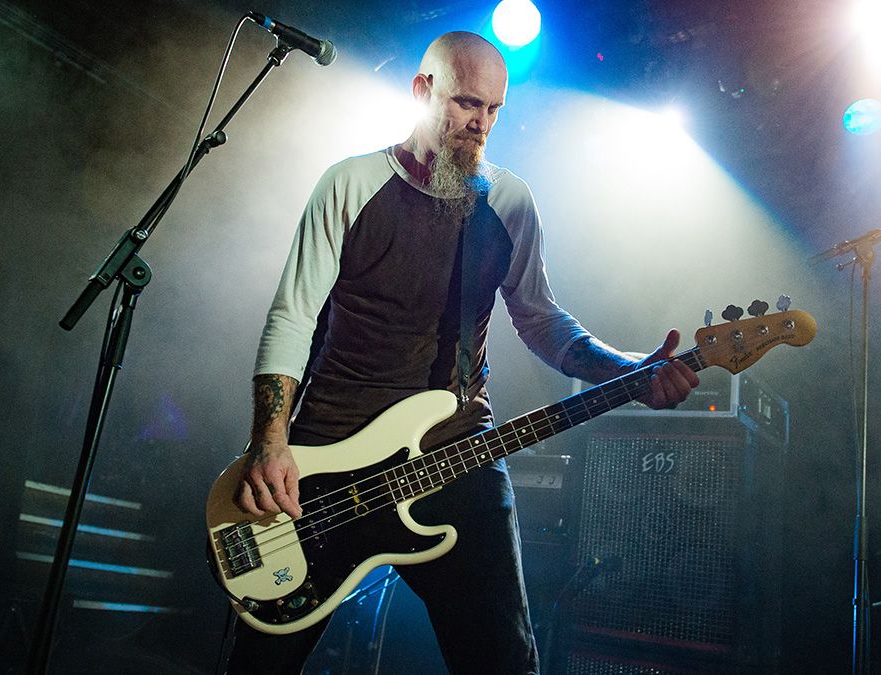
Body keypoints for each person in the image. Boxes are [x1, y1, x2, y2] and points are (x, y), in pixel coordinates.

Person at [228, 31, 699, 674]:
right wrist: (271, 440)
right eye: (466, 104)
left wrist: (628, 372)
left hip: (455, 453)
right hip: (326, 460)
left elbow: (539, 318)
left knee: (502, 660)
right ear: (423, 91)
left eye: (493, 111)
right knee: (262, 661)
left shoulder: (508, 203)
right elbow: (292, 314)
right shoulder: (351, 184)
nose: (479, 124)